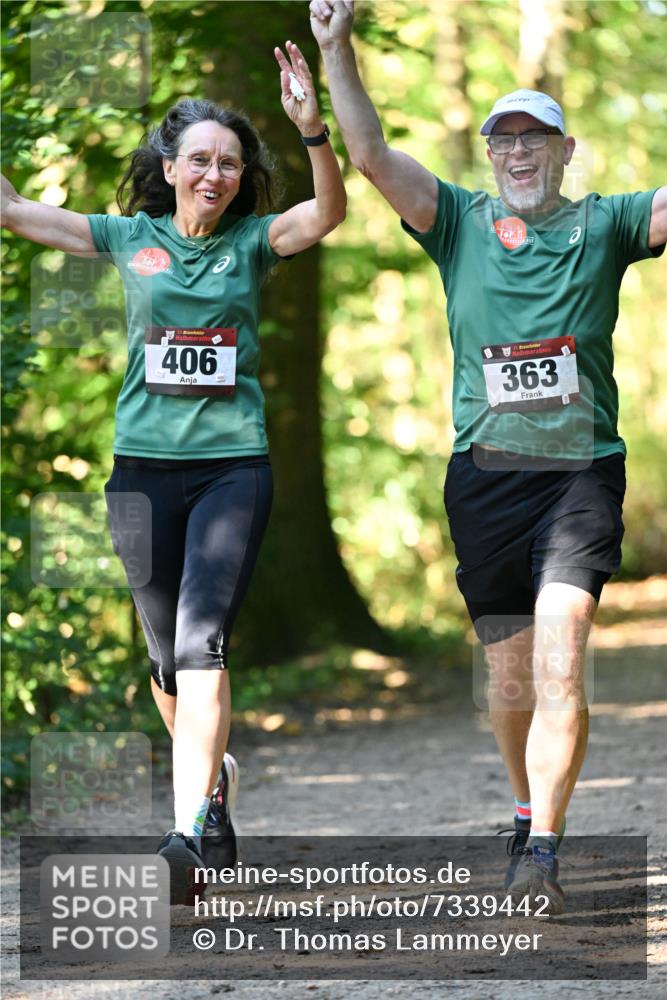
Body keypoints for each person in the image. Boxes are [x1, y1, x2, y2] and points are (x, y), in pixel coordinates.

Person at [309, 0, 666, 913]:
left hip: (581, 471)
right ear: (487, 154)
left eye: (533, 140)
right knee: (508, 678)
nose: (517, 154)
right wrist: (335, 47)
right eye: (501, 141)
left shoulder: (609, 224)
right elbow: (372, 159)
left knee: (559, 659)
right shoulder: (457, 222)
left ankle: (542, 846)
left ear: (564, 148)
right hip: (485, 476)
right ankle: (522, 806)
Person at [2, 40, 345, 904]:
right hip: (140, 473)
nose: (215, 174)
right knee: (165, 663)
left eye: (229, 163)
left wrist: (313, 134)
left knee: (203, 644)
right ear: (169, 165)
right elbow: (14, 212)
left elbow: (326, 216)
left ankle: (187, 828)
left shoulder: (252, 245)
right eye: (200, 159)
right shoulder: (130, 239)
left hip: (232, 468)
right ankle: (215, 780)